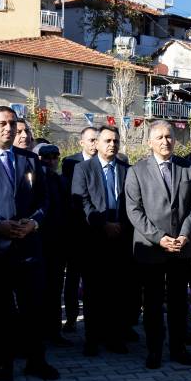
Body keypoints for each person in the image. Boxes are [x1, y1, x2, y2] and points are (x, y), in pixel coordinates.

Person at [0, 106, 57, 381]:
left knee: (34, 307)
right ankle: (3, 362)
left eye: (13, 124)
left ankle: (36, 360)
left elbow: (44, 200)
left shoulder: (30, 160)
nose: (9, 129)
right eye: (3, 124)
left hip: (29, 247)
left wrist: (34, 223)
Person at [125, 120, 191, 368]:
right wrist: (160, 238)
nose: (165, 141)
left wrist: (184, 234)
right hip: (152, 248)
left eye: (169, 137)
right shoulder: (137, 171)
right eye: (159, 137)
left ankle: (179, 349)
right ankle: (154, 350)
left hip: (181, 246)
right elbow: (134, 211)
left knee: (179, 303)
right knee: (154, 303)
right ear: (149, 142)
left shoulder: (189, 169)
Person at [72, 125, 133, 355]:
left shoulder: (127, 170)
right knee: (94, 293)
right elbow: (82, 203)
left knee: (117, 293)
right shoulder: (83, 169)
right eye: (107, 140)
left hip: (120, 236)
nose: (112, 145)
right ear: (96, 143)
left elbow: (132, 202)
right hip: (94, 239)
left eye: (116, 141)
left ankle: (115, 338)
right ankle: (92, 339)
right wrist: (102, 225)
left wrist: (121, 226)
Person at [35, 143, 74, 348]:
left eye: (54, 157)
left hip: (57, 244)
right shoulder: (32, 179)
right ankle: (37, 333)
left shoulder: (61, 181)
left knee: (54, 289)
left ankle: (54, 332)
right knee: (36, 291)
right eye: (45, 157)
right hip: (37, 242)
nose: (50, 161)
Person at [61, 126, 98, 332]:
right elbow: (73, 197)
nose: (94, 144)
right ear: (82, 142)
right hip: (77, 229)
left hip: (99, 230)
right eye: (91, 140)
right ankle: (72, 317)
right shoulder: (71, 163)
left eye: (96, 140)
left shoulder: (108, 162)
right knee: (74, 276)